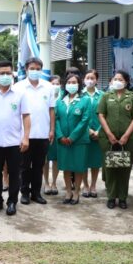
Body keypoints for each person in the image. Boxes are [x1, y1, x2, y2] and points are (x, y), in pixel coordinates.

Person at [0, 60, 31, 216]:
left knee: (15, 174)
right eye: (2, 73)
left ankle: (12, 202)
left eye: (8, 73)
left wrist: (26, 138)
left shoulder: (20, 94)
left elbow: (26, 117)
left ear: (12, 75)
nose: (5, 76)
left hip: (14, 142)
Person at [98, 70, 133, 210]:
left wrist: (126, 136)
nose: (117, 81)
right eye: (115, 79)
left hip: (129, 140)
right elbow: (101, 115)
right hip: (108, 139)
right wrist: (109, 133)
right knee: (110, 168)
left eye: (121, 79)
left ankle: (123, 197)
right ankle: (111, 197)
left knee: (124, 168)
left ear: (126, 82)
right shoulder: (106, 96)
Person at [15, 57, 55, 205]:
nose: (35, 71)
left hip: (43, 133)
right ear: (26, 69)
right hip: (24, 135)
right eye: (32, 68)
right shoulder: (18, 87)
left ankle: (36, 193)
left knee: (39, 166)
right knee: (24, 166)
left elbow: (51, 110)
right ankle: (24, 193)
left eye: (38, 69)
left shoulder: (48, 87)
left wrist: (52, 129)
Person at [55, 74, 90, 204]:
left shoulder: (85, 100)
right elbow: (56, 119)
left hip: (79, 141)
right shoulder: (60, 101)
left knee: (78, 167)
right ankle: (68, 191)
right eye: (69, 82)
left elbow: (85, 120)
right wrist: (60, 136)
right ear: (65, 84)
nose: (71, 84)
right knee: (66, 166)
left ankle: (76, 193)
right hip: (62, 140)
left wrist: (72, 137)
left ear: (79, 84)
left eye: (74, 82)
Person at [81, 69, 103, 198]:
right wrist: (88, 130)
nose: (90, 80)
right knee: (83, 160)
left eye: (92, 78)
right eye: (87, 77)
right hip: (83, 133)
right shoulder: (79, 95)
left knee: (95, 161)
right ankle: (85, 185)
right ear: (84, 79)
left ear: (96, 80)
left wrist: (99, 130)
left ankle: (93, 185)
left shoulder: (103, 95)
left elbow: (106, 115)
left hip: (99, 133)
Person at [44, 75, 62, 195]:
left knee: (56, 159)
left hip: (58, 133)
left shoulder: (63, 98)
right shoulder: (44, 97)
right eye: (52, 83)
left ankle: (54, 183)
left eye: (57, 83)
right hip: (45, 132)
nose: (55, 86)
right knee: (44, 160)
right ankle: (46, 183)